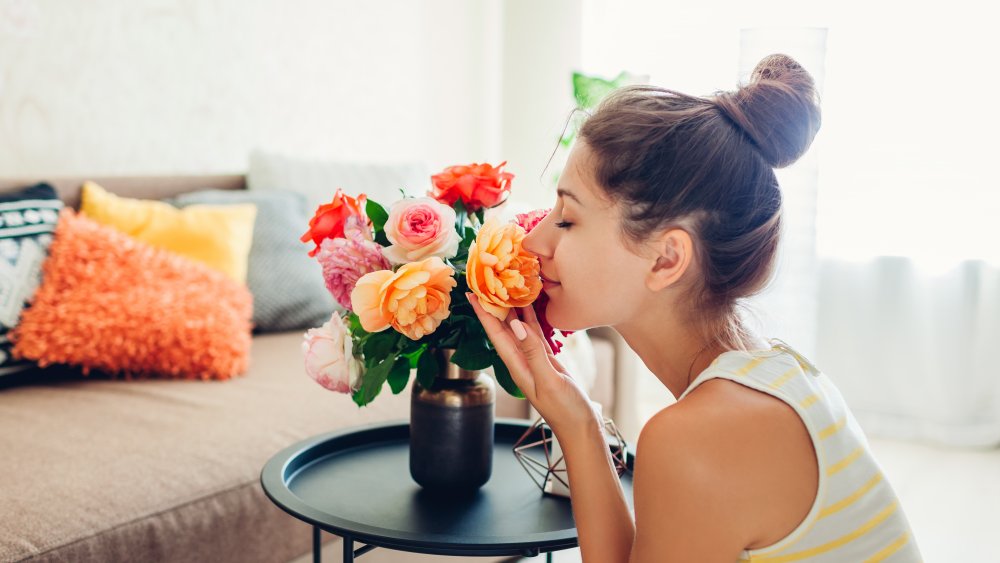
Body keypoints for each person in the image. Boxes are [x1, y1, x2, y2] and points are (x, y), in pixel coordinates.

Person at [466, 54, 922, 562]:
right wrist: (576, 419)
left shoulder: (699, 440)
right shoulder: (780, 371)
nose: (532, 241)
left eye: (568, 220)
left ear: (666, 258)